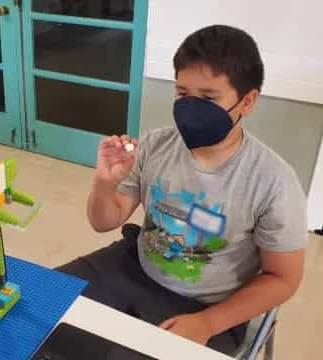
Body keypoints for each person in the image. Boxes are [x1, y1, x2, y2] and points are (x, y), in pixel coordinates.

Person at [58, 25, 307, 355]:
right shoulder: (154, 145)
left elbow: (282, 278)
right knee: (37, 311)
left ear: (247, 101)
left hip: (209, 306)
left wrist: (208, 323)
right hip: (134, 266)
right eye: (182, 93)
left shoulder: (273, 181)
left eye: (208, 98)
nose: (190, 107)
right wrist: (105, 182)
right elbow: (104, 221)